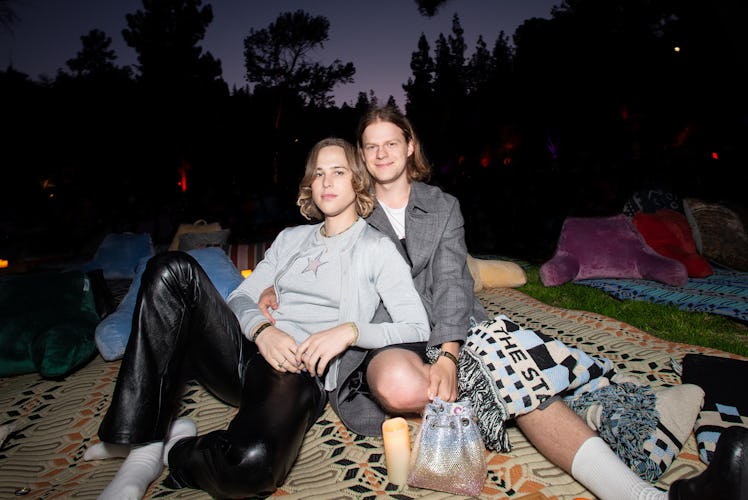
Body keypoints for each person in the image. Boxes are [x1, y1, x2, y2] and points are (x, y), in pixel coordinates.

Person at [259, 105, 747, 500]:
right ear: (362, 158)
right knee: (409, 380)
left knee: (506, 375)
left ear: (410, 147)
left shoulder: (442, 206)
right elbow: (317, 254)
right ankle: (591, 410)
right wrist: (275, 288)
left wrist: (450, 352)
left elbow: (453, 282)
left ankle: (643, 496)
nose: (382, 153)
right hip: (386, 340)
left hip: (455, 328)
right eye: (371, 146)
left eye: (392, 142)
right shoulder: (354, 211)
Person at [83, 137, 430, 499]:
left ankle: (174, 450)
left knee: (252, 463)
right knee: (171, 268)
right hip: (242, 351)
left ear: (357, 179)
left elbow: (417, 325)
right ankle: (139, 441)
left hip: (297, 370)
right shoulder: (290, 239)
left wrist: (349, 331)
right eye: (319, 173)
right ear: (309, 184)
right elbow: (241, 295)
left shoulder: (376, 248)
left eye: (338, 172)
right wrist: (261, 329)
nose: (326, 182)